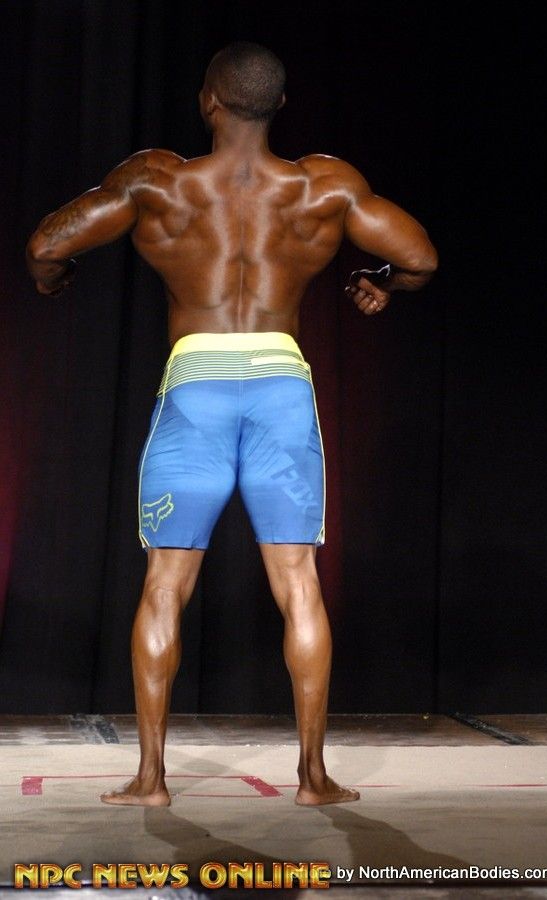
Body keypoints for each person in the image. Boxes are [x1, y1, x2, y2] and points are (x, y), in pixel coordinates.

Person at [26, 41, 437, 807]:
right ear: (278, 106)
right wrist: (382, 283)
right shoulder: (324, 187)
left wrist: (56, 277)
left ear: (207, 101)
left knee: (165, 584)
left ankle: (151, 780)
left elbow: (47, 244)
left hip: (195, 391)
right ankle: (314, 778)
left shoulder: (158, 181)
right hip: (280, 387)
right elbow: (420, 257)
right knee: (298, 582)